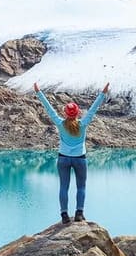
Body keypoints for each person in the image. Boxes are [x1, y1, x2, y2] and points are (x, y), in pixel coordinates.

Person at [34, 81, 109, 223]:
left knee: (64, 187)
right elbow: (93, 108)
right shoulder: (83, 123)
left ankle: (64, 216)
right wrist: (103, 93)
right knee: (81, 187)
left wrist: (38, 92)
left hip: (63, 158)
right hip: (80, 158)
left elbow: (49, 109)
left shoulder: (60, 123)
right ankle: (79, 213)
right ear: (77, 113)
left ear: (66, 113)